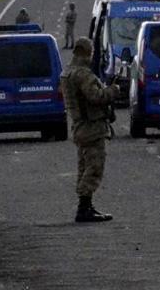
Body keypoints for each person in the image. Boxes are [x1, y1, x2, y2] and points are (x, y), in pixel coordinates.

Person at [60, 37, 120, 223]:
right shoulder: (83, 75)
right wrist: (113, 90)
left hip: (80, 125)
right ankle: (84, 207)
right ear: (87, 52)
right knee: (94, 166)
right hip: (92, 127)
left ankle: (86, 205)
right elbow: (95, 97)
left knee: (84, 166)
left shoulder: (68, 73)